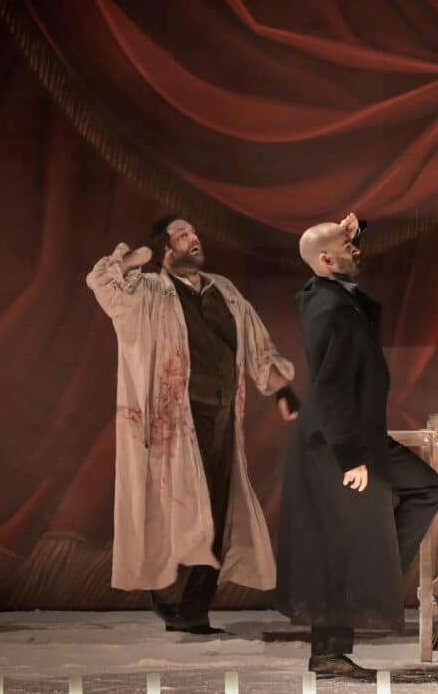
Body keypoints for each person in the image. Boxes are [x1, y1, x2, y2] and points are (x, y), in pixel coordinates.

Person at [87, 215, 298, 633]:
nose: (195, 238)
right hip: (172, 423)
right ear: (165, 248)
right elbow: (102, 284)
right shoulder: (148, 292)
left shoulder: (226, 292)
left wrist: (283, 390)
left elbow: (257, 347)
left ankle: (195, 611)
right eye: (183, 235)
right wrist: (132, 259)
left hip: (220, 417)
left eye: (195, 233)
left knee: (216, 514)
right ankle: (172, 603)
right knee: (179, 513)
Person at [275, 214, 438, 677]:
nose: (359, 249)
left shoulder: (332, 294)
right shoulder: (327, 308)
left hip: (353, 437)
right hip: (334, 446)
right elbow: (329, 387)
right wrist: (350, 457)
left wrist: (354, 230)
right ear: (325, 260)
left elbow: (347, 271)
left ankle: (374, 573)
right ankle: (328, 653)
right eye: (347, 246)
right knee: (336, 544)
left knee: (423, 490)